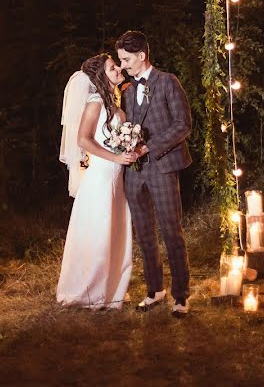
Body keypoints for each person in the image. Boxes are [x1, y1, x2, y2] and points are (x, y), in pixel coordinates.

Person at [116, 31, 193, 317]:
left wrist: (149, 147)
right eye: (121, 60)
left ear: (141, 56)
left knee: (172, 231)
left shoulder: (167, 82)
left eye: (126, 59)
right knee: (145, 234)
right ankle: (155, 290)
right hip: (134, 172)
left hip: (162, 166)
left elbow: (183, 125)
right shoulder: (126, 90)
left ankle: (181, 296)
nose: (123, 65)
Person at [57, 54, 138, 309]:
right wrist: (115, 156)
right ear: (101, 76)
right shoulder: (95, 102)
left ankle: (112, 287)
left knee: (115, 230)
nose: (117, 69)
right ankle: (89, 290)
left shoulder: (113, 102)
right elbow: (83, 140)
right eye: (112, 67)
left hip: (116, 178)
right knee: (99, 231)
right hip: (100, 177)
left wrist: (133, 149)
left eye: (116, 65)